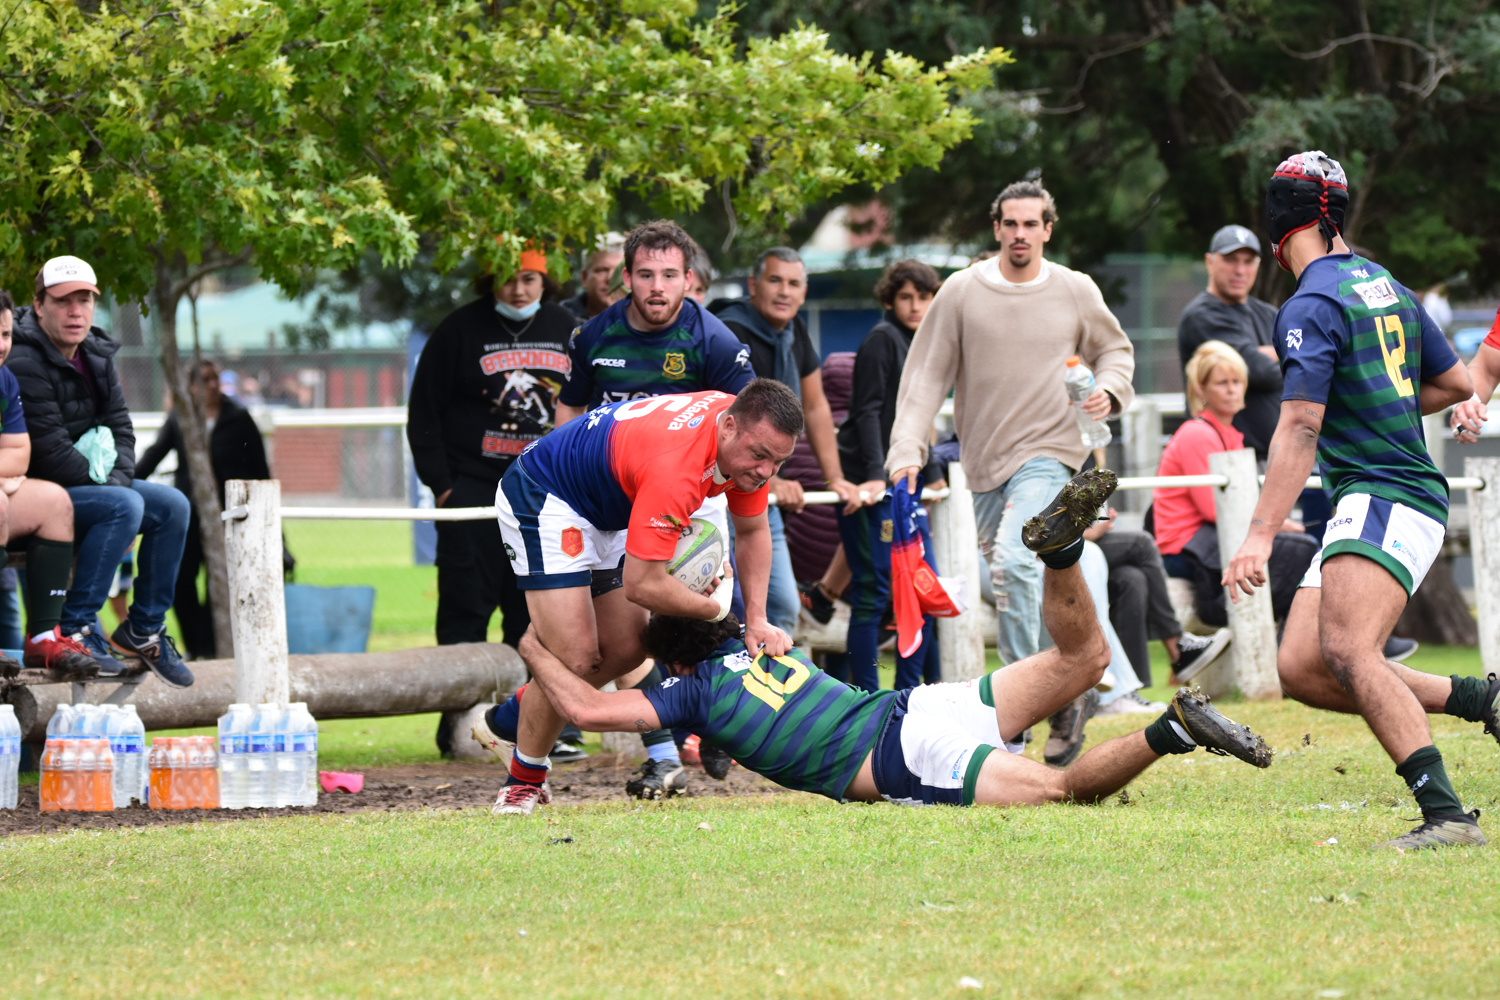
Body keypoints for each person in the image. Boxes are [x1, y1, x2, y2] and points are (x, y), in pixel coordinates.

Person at [503, 470, 1272, 812]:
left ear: (673, 660)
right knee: (1087, 659)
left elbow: (587, 708)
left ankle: (1175, 729)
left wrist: (536, 649)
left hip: (906, 756)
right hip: (918, 707)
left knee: (1060, 790)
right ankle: (1063, 554)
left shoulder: (692, 693)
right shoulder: (759, 649)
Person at [1224, 151, 1495, 852]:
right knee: (1303, 667)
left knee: (1348, 648)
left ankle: (1446, 815)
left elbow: (1300, 425)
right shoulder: (1384, 283)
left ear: (1281, 222)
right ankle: (1480, 700)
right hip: (1382, 495)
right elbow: (1457, 384)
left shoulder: (1309, 303)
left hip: (1386, 492)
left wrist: (1258, 535)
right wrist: (1375, 405)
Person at [886, 180, 1134, 760]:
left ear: (1048, 229)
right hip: (984, 464)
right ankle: (1068, 689)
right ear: (997, 228)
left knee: (1019, 559)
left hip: (1052, 453)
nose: (1021, 234)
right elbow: (924, 377)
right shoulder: (961, 291)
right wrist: (906, 451)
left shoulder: (1075, 288)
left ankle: (1017, 712)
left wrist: (1109, 389)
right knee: (1023, 578)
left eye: (1032, 224)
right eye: (1011, 224)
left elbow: (1116, 351)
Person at [482, 379, 802, 815]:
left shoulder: (749, 434)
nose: (766, 471)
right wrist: (716, 609)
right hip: (547, 494)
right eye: (761, 456)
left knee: (629, 648)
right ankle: (524, 781)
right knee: (575, 658)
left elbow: (753, 529)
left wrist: (758, 620)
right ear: (728, 427)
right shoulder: (680, 467)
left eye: (779, 461)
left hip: (613, 504)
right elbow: (643, 586)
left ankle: (508, 719)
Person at [551, 220, 755, 791]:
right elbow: (569, 412)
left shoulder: (715, 342)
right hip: (613, 499)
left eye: (669, 275)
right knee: (627, 631)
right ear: (626, 278)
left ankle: (718, 721)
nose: (657, 287)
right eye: (645, 275)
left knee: (710, 615)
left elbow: (750, 428)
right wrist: (561, 474)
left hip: (692, 501)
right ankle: (664, 748)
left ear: (689, 278)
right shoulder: (593, 336)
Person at [406, 245, 580, 756]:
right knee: (464, 609)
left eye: (529, 278)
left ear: (545, 281)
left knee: (539, 611)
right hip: (473, 493)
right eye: (507, 278)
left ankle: (539, 729)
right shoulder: (458, 330)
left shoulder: (568, 329)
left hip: (543, 491)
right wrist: (444, 486)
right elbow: (424, 413)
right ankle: (457, 730)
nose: (518, 289)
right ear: (489, 280)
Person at [8, 256, 192, 687]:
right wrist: (115, 495)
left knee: (172, 505)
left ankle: (143, 628)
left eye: (85, 300)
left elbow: (122, 430)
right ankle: (77, 628)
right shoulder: (21, 358)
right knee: (122, 505)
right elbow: (49, 452)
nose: (76, 311)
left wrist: (116, 486)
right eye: (63, 301)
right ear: (39, 305)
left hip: (91, 487)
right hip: (36, 495)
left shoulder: (96, 350)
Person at [712, 249, 860, 638]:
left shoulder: (794, 331)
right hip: (717, 488)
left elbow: (816, 406)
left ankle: (775, 676)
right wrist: (773, 480)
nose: (784, 291)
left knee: (781, 604)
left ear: (804, 292)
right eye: (775, 280)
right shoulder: (729, 331)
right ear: (753, 284)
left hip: (760, 486)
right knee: (725, 604)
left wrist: (835, 479)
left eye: (794, 284)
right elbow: (731, 421)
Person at [1154, 340, 1311, 657]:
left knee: (1302, 549)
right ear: (1201, 389)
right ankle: (1287, 657)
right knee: (1302, 551)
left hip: (1211, 539)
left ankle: (1288, 655)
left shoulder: (1231, 434)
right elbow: (1214, 509)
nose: (1232, 390)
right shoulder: (1197, 433)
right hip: (1184, 548)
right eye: (1221, 383)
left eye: (1237, 381)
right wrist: (1277, 525)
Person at [836, 259, 946, 691]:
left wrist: (931, 471)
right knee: (874, 592)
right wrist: (873, 475)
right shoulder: (883, 339)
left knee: (924, 589)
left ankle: (912, 696)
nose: (916, 305)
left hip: (905, 480)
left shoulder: (924, 343)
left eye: (924, 297)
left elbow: (919, 419)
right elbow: (867, 412)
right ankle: (866, 698)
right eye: (906, 297)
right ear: (889, 300)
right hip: (873, 481)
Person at [137, 360, 270, 659]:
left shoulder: (238, 417)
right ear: (190, 386)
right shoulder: (181, 417)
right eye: (204, 380)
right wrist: (125, 483)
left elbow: (260, 469)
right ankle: (195, 646)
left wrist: (268, 522)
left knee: (219, 582)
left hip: (230, 515)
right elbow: (155, 454)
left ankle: (213, 648)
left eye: (215, 379)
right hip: (190, 513)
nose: (212, 385)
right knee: (180, 578)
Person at [0, 289, 96, 679]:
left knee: (54, 502)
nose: (1, 345)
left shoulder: (4, 379)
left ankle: (43, 637)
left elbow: (18, 453)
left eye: (6, 334)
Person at [1085, 507, 1230, 698]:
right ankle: (1177, 646)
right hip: (1064, 545)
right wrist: (1088, 533)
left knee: (1131, 579)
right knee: (1142, 543)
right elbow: (1212, 511)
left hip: (1079, 539)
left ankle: (1128, 692)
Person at [1175, 226, 1283, 461]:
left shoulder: (1269, 314)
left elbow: (1306, 366)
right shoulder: (1202, 316)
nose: (1240, 270)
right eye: (1231, 260)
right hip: (1225, 457)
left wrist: (1262, 356)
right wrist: (1280, 356)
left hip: (1278, 456)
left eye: (1248, 261)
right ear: (1209, 262)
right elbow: (1262, 371)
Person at [561, 232, 625, 322]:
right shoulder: (559, 320)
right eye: (602, 270)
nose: (611, 278)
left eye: (618, 271)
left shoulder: (644, 321)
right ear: (584, 277)